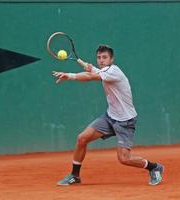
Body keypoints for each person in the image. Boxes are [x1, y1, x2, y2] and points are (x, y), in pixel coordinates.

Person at [52, 45, 164, 186]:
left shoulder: (114, 71)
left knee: (124, 159)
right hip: (110, 117)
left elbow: (90, 76)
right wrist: (90, 67)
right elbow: (93, 70)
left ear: (112, 59)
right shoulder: (104, 70)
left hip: (125, 121)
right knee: (82, 138)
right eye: (99, 57)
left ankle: (154, 167)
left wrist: (70, 75)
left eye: (105, 57)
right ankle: (75, 175)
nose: (101, 60)